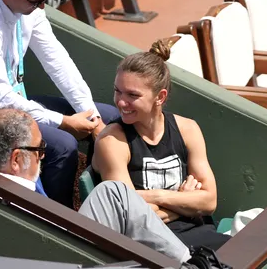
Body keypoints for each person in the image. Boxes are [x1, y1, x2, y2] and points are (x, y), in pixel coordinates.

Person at [0, 0, 119, 208]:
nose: (41, 7)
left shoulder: (28, 6)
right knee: (62, 145)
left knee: (109, 117)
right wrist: (63, 122)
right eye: (36, 1)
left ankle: (105, 205)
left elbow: (57, 61)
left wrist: (92, 115)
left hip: (10, 98)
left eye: (44, 1)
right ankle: (63, 221)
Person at [0, 107, 206, 268]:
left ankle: (190, 263)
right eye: (39, 148)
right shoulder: (12, 196)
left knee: (112, 193)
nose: (43, 156)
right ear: (16, 160)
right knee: (114, 195)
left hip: (61, 249)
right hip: (62, 257)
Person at [92, 39, 231, 251]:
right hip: (157, 246)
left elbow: (209, 201)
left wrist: (156, 196)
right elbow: (130, 215)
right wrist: (186, 203)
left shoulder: (187, 129)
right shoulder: (112, 141)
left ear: (160, 97)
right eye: (118, 91)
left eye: (132, 95)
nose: (120, 102)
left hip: (202, 234)